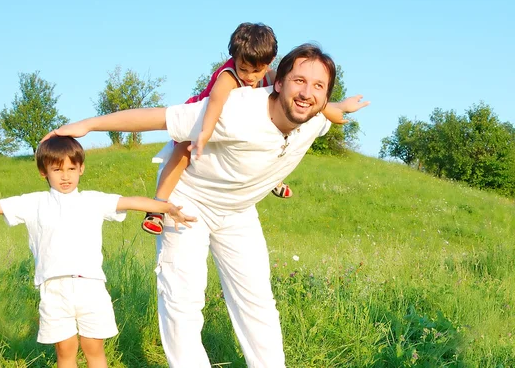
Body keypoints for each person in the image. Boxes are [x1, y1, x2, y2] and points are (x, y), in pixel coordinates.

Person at [43, 43, 370, 367]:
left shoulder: (315, 119)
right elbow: (160, 118)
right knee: (183, 299)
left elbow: (333, 113)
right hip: (188, 200)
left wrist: (343, 105)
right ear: (279, 83)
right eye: (299, 81)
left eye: (318, 86)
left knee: (256, 300)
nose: (307, 93)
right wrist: (87, 125)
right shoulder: (236, 110)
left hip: (239, 210)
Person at [0, 136, 196, 368]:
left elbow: (132, 201)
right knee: (65, 352)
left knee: (94, 349)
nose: (65, 176)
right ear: (43, 171)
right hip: (53, 289)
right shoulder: (32, 203)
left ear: (81, 169)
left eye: (71, 169)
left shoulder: (93, 201)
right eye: (57, 169)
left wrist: (166, 207)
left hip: (90, 286)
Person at [141, 23, 348, 235]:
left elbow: (299, 95)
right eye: (244, 69)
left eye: (256, 71)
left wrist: (338, 109)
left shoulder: (270, 75)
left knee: (267, 142)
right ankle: (157, 207)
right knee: (183, 152)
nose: (249, 76)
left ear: (269, 63)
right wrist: (204, 133)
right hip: (204, 119)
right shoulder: (228, 76)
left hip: (236, 136)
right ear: (235, 59)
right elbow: (215, 103)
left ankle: (274, 180)